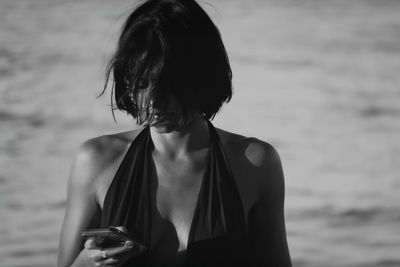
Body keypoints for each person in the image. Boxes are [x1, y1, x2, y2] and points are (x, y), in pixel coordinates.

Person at [57, 0, 292, 266]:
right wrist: (91, 261)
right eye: (142, 83)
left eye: (168, 85)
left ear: (201, 78)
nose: (153, 101)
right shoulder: (97, 161)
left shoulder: (255, 163)